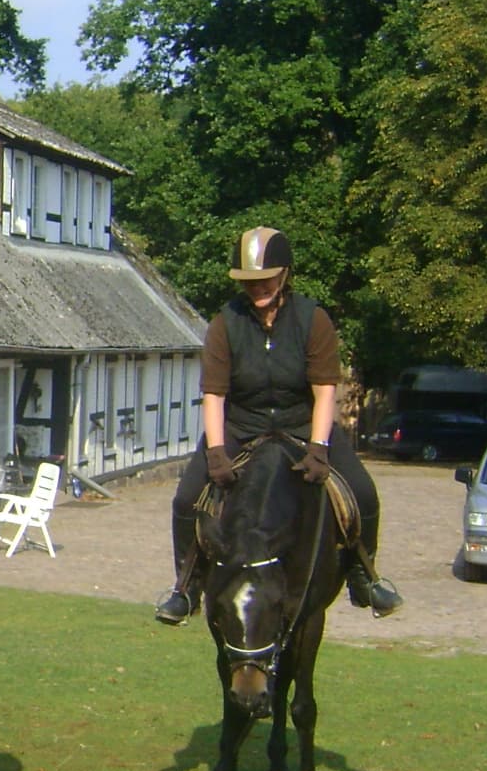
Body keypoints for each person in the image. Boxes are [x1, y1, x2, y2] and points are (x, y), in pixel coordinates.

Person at [153, 226, 402, 625]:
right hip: (241, 427)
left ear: (285, 275)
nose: (257, 288)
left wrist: (319, 448)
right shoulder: (225, 324)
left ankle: (364, 576)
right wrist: (216, 454)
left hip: (302, 426)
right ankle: (186, 587)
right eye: (249, 282)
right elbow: (214, 394)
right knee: (185, 501)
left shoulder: (312, 319)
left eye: (265, 279)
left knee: (363, 492)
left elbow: (324, 391)